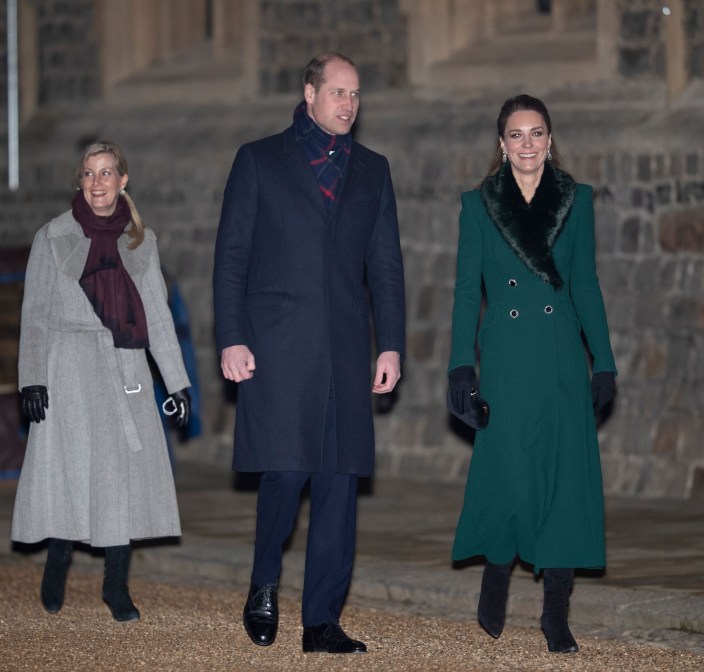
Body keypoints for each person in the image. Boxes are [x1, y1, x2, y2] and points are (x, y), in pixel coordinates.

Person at [213, 53, 406, 654]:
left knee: (339, 482)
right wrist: (232, 336)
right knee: (285, 471)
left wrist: (392, 345)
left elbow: (387, 268)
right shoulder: (260, 159)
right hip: (277, 346)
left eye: (355, 93)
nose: (348, 103)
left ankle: (322, 619)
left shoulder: (373, 171)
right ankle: (264, 584)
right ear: (310, 92)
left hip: (348, 351)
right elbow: (232, 259)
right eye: (338, 91)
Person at [447, 94, 617, 654]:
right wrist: (460, 367)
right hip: (506, 359)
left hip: (560, 354)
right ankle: (497, 572)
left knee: (566, 480)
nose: (527, 144)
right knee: (509, 475)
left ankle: (555, 614)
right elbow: (467, 291)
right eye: (516, 135)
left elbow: (585, 284)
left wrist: (605, 361)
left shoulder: (577, 199)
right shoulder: (478, 206)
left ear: (550, 139)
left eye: (536, 133)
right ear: (501, 144)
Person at [12, 140, 191, 622]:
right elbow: (35, 316)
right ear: (80, 181)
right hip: (66, 365)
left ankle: (116, 586)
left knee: (119, 477)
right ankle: (58, 559)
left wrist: (177, 383)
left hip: (125, 366)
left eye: (107, 173)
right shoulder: (51, 237)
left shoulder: (141, 241)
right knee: (68, 469)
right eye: (90, 173)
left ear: (122, 180)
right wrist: (31, 379)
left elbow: (157, 314)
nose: (98, 183)